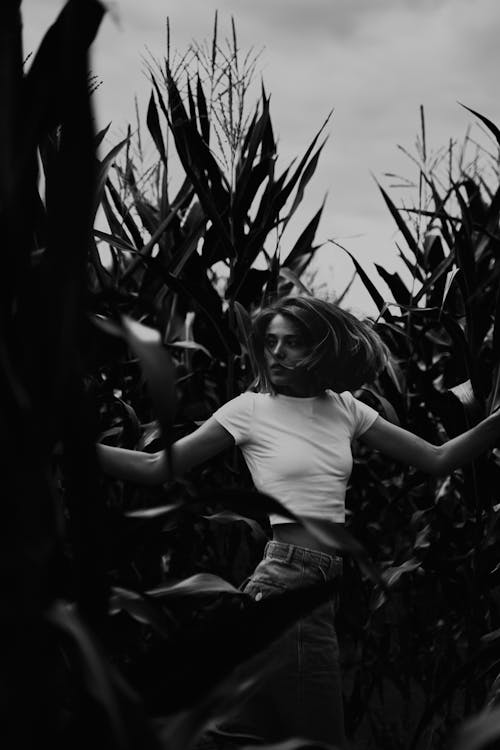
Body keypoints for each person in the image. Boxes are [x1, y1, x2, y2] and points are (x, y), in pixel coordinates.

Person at [98, 295, 500, 749]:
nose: (277, 353)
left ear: (320, 349)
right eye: (269, 342)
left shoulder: (346, 409)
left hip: (313, 587)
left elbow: (437, 458)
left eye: (291, 343)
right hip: (289, 583)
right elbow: (155, 467)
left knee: (239, 738)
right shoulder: (248, 409)